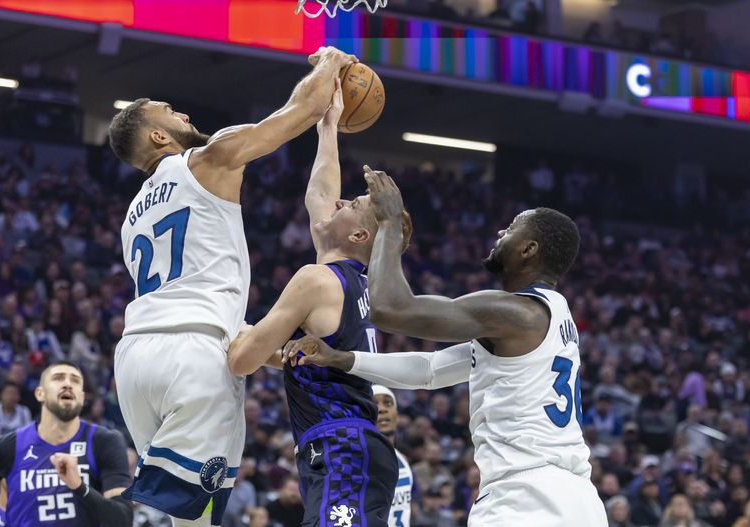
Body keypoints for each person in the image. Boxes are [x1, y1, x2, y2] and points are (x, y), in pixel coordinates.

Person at [107, 45, 357, 527]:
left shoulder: (132, 217)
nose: (183, 112)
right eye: (170, 111)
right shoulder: (208, 158)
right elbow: (299, 110)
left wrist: (283, 355)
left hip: (134, 362)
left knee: (180, 518)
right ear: (159, 134)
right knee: (196, 519)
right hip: (194, 356)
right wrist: (329, 62)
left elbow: (195, 302)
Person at [283, 169, 608, 526]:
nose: (501, 233)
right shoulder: (550, 318)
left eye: (513, 228)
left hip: (527, 497)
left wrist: (390, 220)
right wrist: (344, 359)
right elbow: (431, 370)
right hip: (578, 501)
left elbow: (390, 308)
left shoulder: (514, 311)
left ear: (529, 250)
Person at [228, 81, 412, 526]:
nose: (341, 201)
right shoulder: (346, 278)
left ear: (358, 236)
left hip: (342, 447)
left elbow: (241, 360)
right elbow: (320, 196)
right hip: (345, 447)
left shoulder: (316, 280)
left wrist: (221, 326)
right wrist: (328, 125)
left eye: (355, 203)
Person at [0, 361, 132, 526]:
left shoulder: (104, 441)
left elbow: (123, 520)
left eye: (75, 380)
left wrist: (80, 487)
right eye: (58, 378)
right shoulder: (5, 448)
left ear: (82, 397)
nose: (67, 384)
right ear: (39, 393)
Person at [372, 384, 413, 527]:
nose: (382, 409)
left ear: (397, 414)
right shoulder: (359, 460)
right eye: (374, 404)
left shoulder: (402, 460)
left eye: (388, 403)